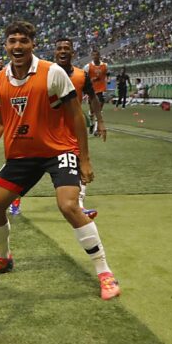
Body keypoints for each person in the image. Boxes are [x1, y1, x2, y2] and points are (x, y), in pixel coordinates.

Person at [0, 22, 119, 300]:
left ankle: (104, 272)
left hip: (58, 150)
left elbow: (76, 114)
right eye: (12, 41)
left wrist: (84, 159)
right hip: (22, 154)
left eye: (23, 41)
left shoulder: (51, 72)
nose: (17, 46)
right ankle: (4, 258)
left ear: (33, 44)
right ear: (5, 45)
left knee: (68, 205)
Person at [54, 37, 105, 219]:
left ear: (72, 52)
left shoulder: (81, 75)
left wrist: (100, 121)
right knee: (28, 161)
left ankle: (79, 204)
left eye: (66, 48)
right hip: (48, 128)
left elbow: (93, 98)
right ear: (55, 52)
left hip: (72, 128)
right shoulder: (47, 73)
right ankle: (14, 200)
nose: (62, 51)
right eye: (59, 48)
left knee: (80, 162)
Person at [84, 50, 108, 133]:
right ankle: (91, 123)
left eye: (97, 55)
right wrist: (92, 79)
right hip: (92, 90)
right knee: (92, 111)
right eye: (93, 55)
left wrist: (106, 81)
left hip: (101, 90)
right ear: (92, 56)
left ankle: (96, 129)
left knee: (99, 110)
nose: (95, 57)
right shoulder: (88, 66)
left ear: (99, 56)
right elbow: (84, 79)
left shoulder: (105, 66)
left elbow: (106, 75)